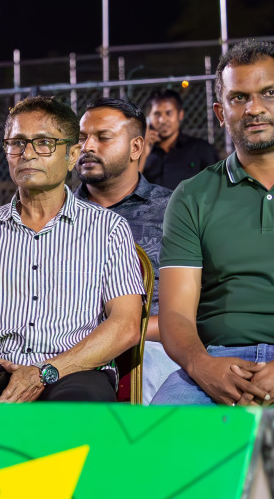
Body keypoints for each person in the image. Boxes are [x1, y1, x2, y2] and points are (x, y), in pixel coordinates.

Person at [0, 96, 142, 402]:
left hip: (74, 371)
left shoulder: (108, 229)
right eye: (17, 143)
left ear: (72, 155)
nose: (27, 154)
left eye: (44, 143)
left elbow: (126, 325)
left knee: (79, 417)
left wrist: (45, 371)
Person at [154, 40, 274, 406]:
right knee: (156, 437)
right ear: (221, 113)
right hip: (218, 361)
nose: (254, 108)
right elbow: (175, 313)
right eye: (239, 98)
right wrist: (201, 365)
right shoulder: (193, 195)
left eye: (268, 92)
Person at [73, 96, 174, 402]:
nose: (87, 147)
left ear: (135, 148)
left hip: (151, 347)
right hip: (64, 345)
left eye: (103, 137)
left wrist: (124, 332)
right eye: (81, 138)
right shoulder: (57, 213)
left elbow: (199, 308)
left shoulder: (175, 210)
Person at [143, 88, 221, 190]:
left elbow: (217, 187)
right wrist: (143, 153)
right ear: (149, 118)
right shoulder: (142, 153)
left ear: (180, 115)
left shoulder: (200, 149)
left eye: (168, 113)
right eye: (157, 114)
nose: (162, 120)